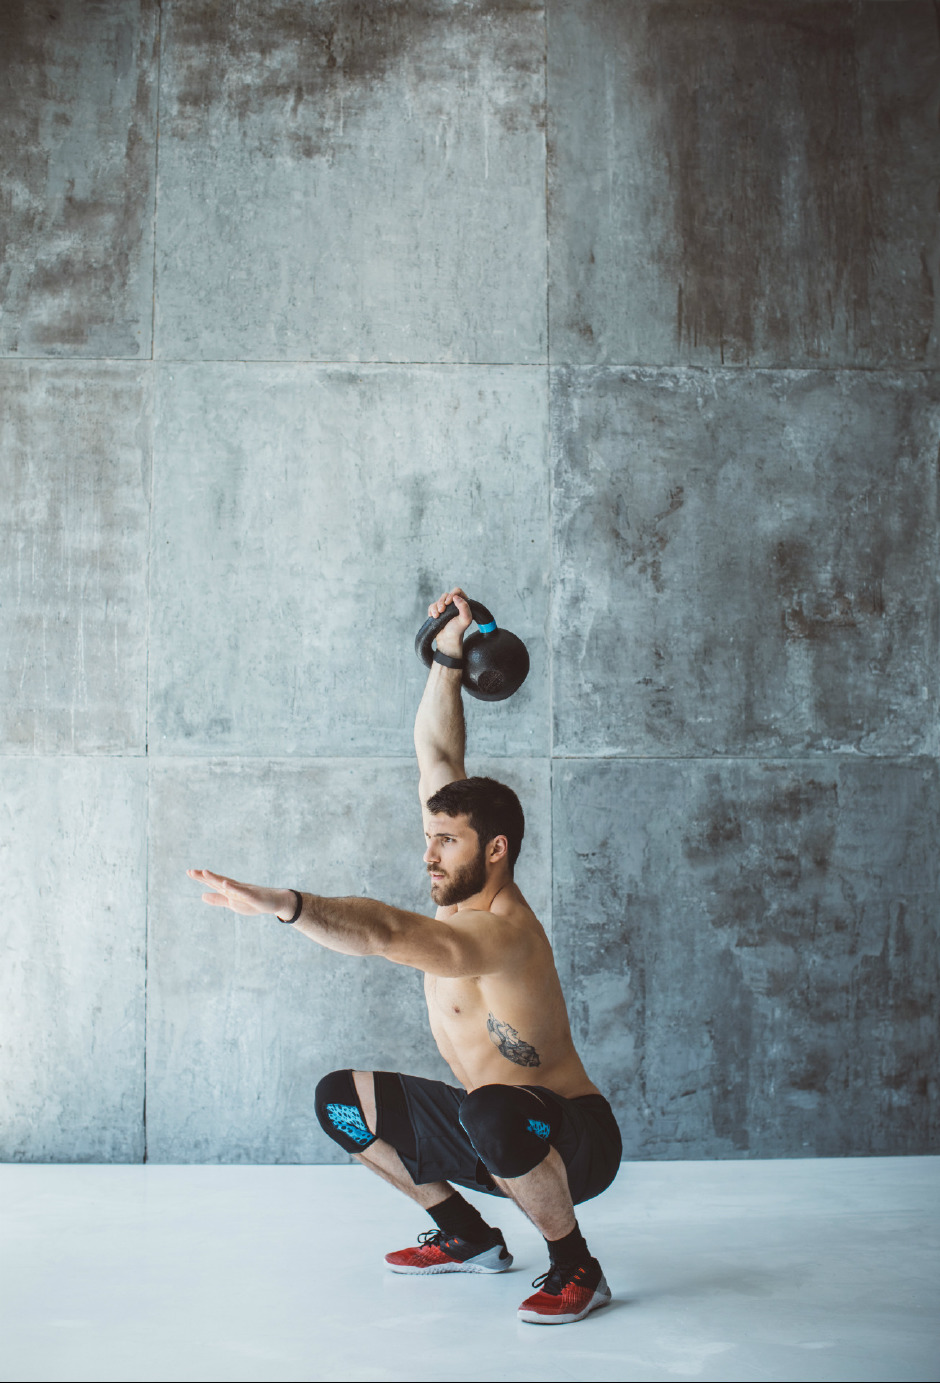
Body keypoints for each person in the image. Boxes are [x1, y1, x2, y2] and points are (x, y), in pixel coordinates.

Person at [187, 587, 622, 1325]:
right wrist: (449, 656)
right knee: (341, 1101)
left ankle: (575, 1263)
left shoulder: (501, 932)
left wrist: (287, 904)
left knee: (490, 1110)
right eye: (430, 837)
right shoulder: (461, 892)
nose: (429, 853)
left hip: (569, 1139)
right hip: (488, 1127)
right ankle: (469, 1236)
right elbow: (437, 752)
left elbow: (389, 933)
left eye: (444, 841)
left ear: (496, 849)